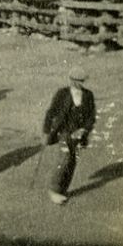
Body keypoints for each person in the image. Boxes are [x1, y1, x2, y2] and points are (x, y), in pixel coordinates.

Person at [41, 66, 96, 205]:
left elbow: (91, 116)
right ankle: (54, 190)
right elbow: (51, 112)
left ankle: (62, 190)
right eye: (76, 80)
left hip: (78, 134)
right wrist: (46, 131)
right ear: (71, 80)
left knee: (72, 161)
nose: (79, 83)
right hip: (63, 131)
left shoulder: (88, 95)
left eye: (82, 81)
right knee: (64, 158)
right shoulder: (62, 94)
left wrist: (85, 130)